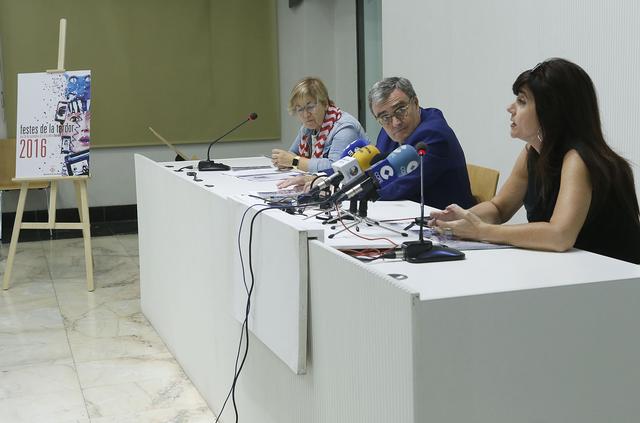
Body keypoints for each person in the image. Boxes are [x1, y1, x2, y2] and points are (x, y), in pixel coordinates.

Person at [430, 58, 640, 264]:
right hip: (574, 270)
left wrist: (482, 231)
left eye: (522, 101)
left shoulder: (578, 159)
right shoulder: (532, 152)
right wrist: (459, 219)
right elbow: (500, 208)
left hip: (614, 277)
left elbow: (560, 235)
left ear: (551, 112)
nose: (510, 108)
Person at [368, 77, 475, 209]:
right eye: (385, 117)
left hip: (444, 219)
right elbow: (378, 176)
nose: (395, 123)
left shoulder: (435, 136)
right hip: (403, 214)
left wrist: (360, 195)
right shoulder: (388, 133)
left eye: (400, 110)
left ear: (415, 102)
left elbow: (398, 189)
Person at [271, 77, 368, 173]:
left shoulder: (344, 128)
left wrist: (294, 162)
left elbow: (334, 167)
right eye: (300, 109)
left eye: (310, 107)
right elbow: (292, 154)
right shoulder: (307, 127)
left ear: (325, 104)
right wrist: (282, 160)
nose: (306, 115)